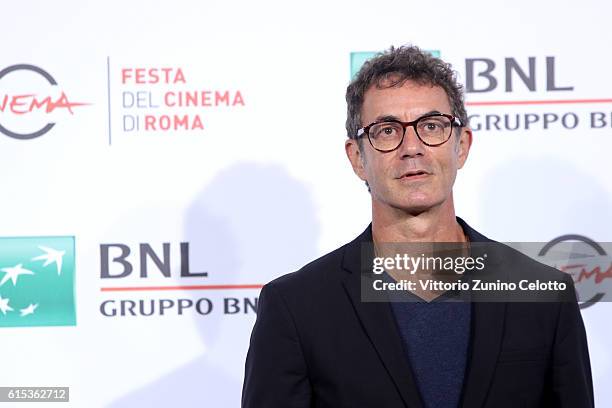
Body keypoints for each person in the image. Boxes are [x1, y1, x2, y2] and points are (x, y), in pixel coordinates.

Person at [241, 45, 594, 407]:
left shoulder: (544, 295)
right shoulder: (296, 308)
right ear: (357, 158)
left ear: (462, 146)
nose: (413, 147)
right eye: (387, 130)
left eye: (431, 126)